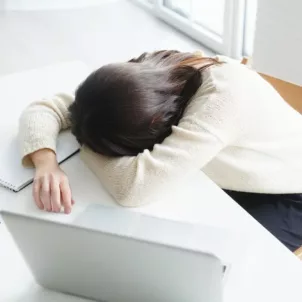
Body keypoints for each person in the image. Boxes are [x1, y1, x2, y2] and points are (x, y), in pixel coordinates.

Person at [19, 50, 302, 251]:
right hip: (225, 175)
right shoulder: (148, 73)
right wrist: (46, 162)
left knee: (225, 266)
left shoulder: (221, 102)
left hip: (288, 193)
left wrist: (86, 143)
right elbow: (48, 107)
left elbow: (134, 188)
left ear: (157, 123)